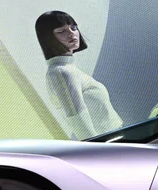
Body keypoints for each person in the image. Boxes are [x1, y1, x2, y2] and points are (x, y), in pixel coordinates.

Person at [35, 11, 123, 140]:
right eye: (61, 31)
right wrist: (100, 154)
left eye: (74, 28)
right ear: (48, 38)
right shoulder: (62, 72)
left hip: (115, 140)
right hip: (107, 146)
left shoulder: (69, 69)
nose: (71, 33)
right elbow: (78, 120)